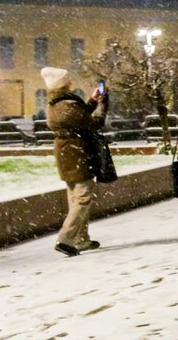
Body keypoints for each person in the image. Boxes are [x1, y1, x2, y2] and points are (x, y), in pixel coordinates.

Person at [45, 66, 108, 257]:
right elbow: (93, 123)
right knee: (82, 198)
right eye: (67, 80)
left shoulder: (55, 103)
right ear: (63, 84)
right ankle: (65, 239)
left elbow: (78, 119)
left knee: (74, 196)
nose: (70, 82)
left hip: (66, 154)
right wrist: (103, 104)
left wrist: (92, 101)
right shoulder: (67, 105)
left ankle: (81, 239)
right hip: (77, 153)